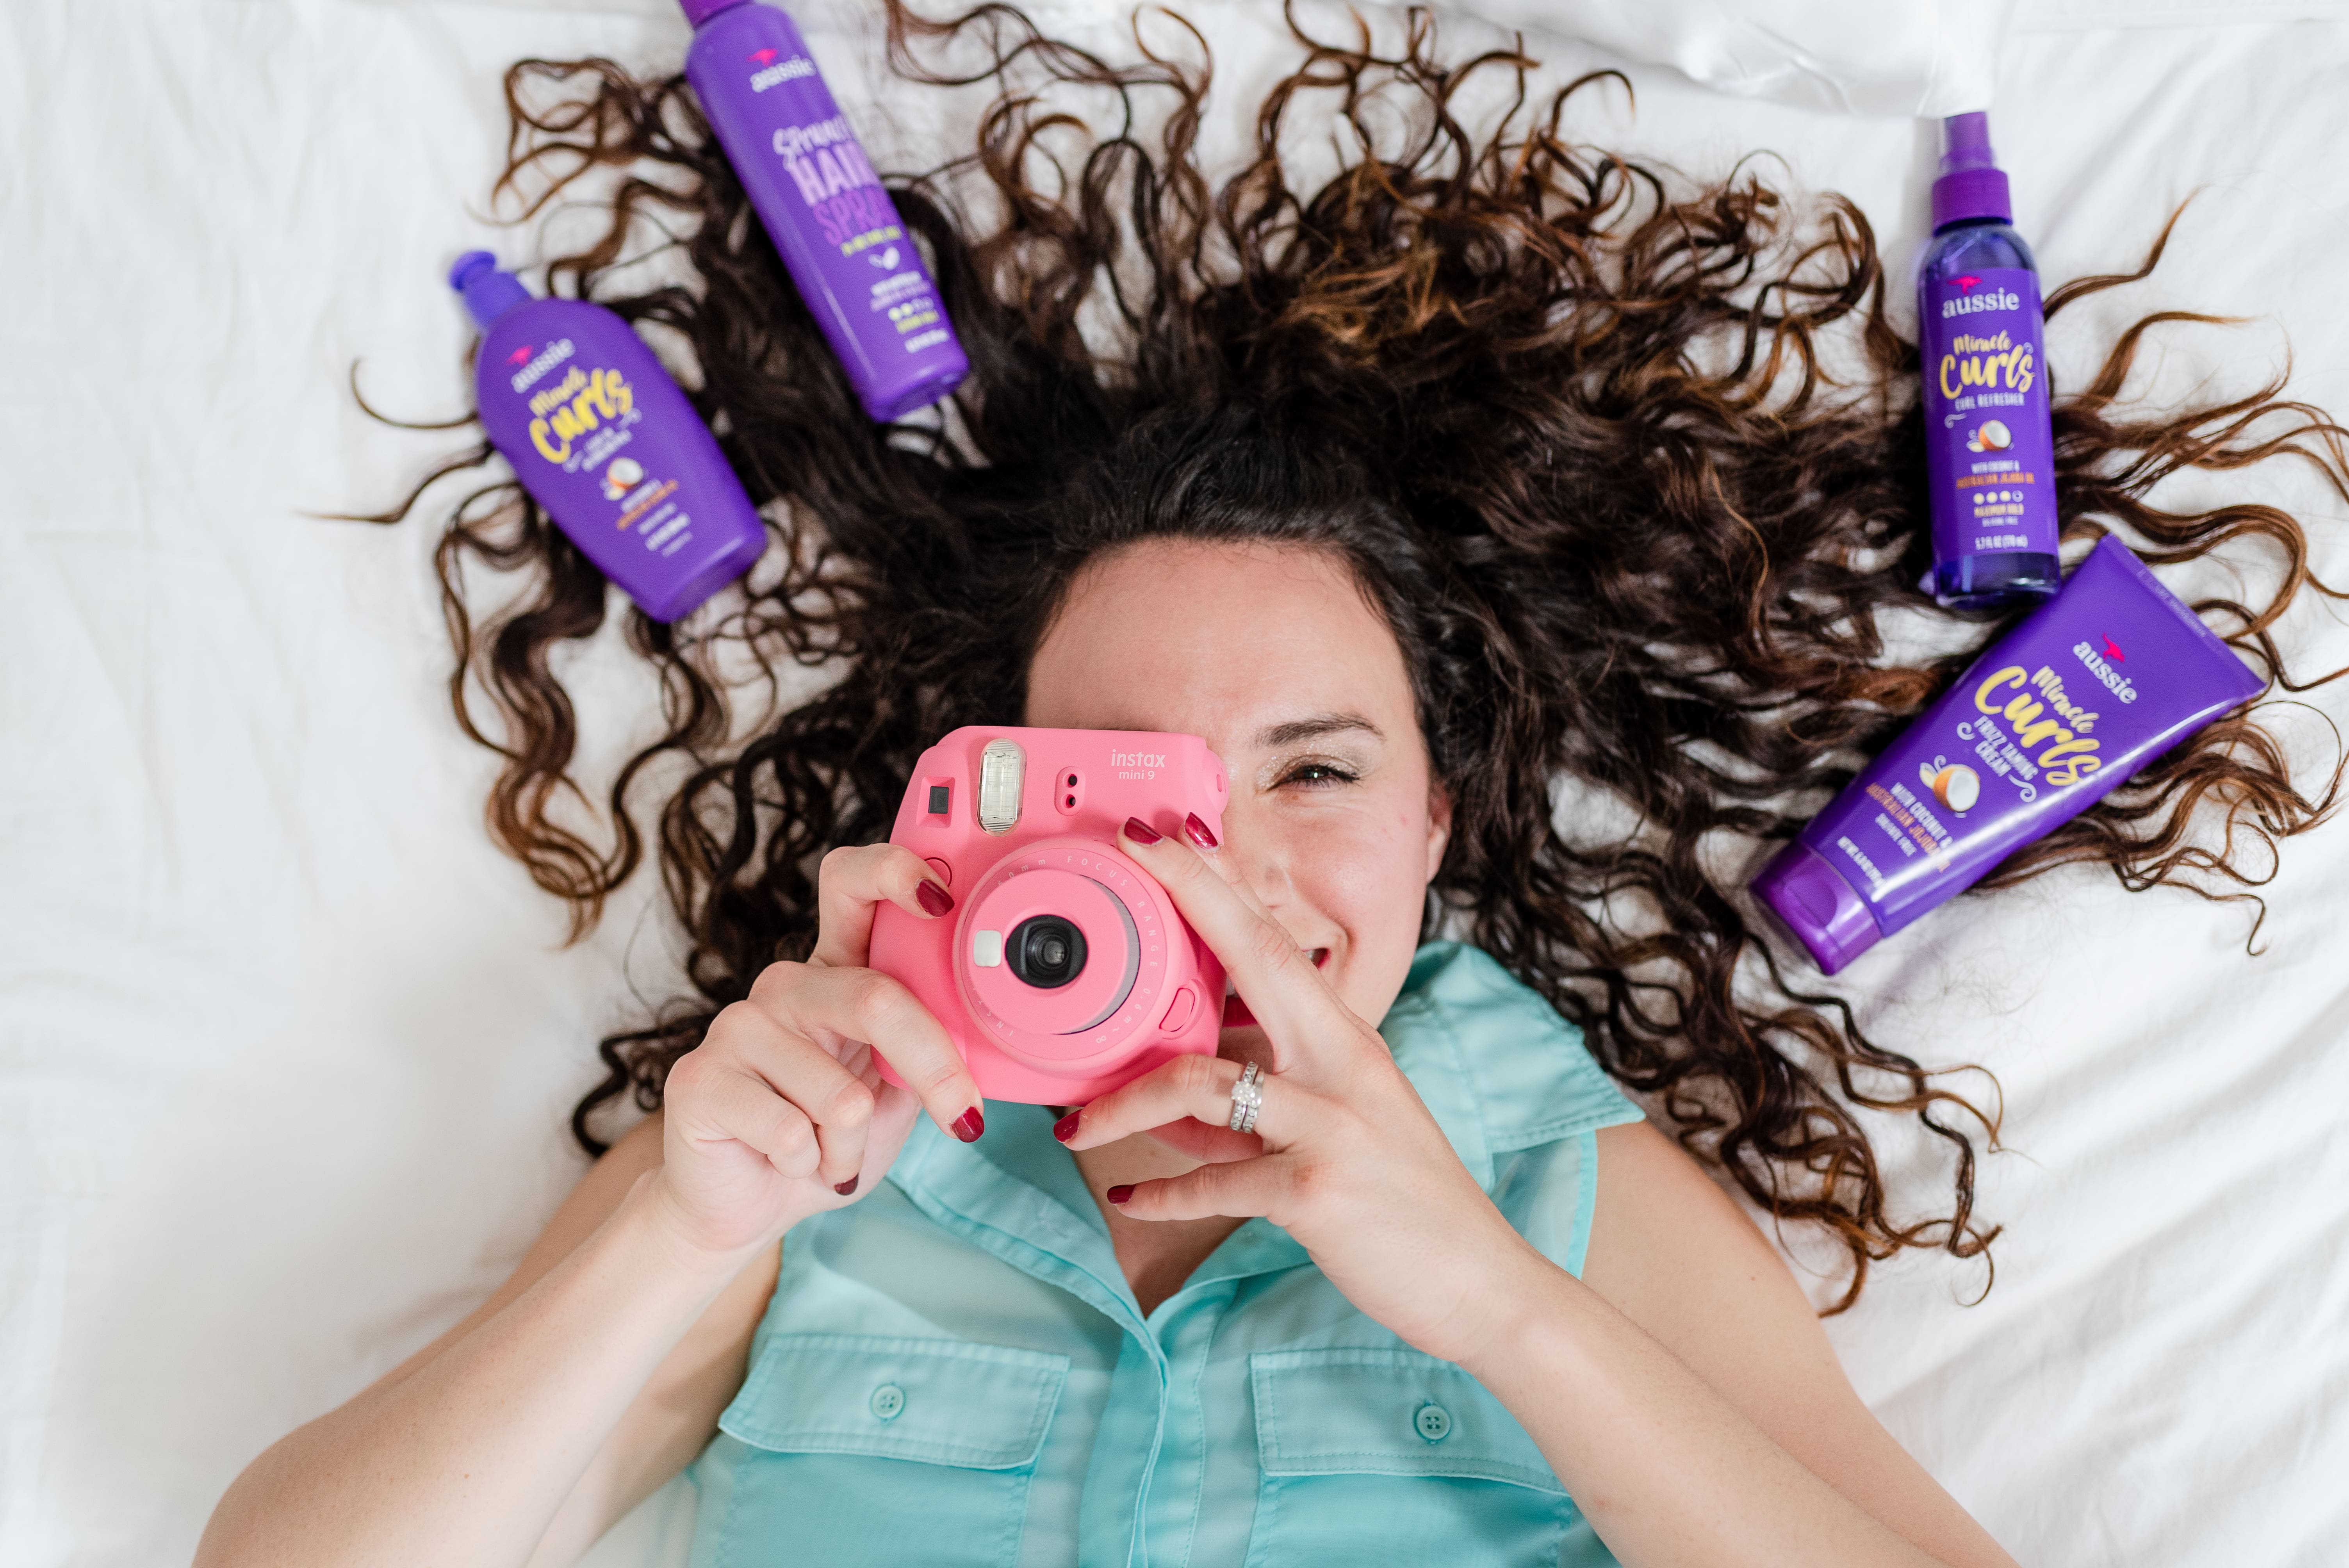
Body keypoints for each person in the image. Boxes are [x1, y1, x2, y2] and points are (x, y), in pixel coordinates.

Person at [198, 5, 2343, 1564]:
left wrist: (1486, 1296)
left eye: (1311, 767)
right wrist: (676, 1229)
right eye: (1121, 781)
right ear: (989, 798)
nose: (1212, 864)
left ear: (1438, 823)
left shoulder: (1543, 1171)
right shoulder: (826, 1131)